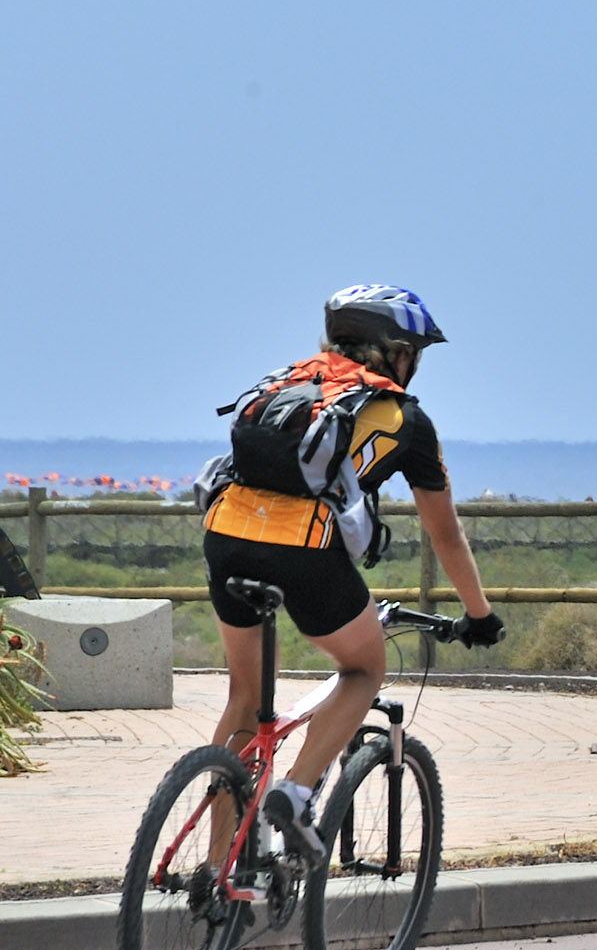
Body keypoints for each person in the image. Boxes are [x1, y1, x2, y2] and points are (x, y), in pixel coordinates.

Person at [200, 284, 502, 867]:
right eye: (414, 353)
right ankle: (295, 795)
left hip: (224, 536)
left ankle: (215, 870)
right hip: (305, 550)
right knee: (364, 668)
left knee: (245, 697)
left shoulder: (286, 383)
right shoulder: (404, 418)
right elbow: (445, 534)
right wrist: (479, 615)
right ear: (396, 353)